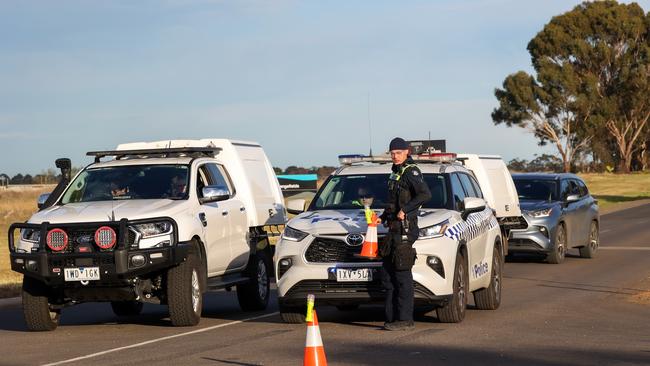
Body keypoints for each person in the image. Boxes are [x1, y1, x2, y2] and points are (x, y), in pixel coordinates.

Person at [379, 137, 431, 331]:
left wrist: (406, 210)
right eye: (392, 153)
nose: (395, 156)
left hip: (405, 230)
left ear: (407, 152)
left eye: (398, 153)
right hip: (392, 229)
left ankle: (405, 319)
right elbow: (393, 201)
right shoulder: (395, 172)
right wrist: (382, 216)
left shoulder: (411, 172)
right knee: (387, 275)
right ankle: (392, 318)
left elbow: (425, 194)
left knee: (402, 275)